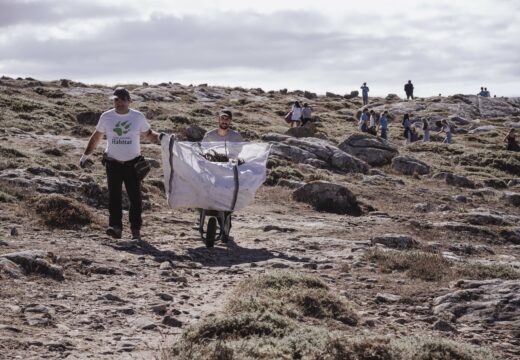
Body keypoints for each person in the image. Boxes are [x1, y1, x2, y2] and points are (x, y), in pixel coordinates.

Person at [79, 87, 161, 241]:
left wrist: (162, 138)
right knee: (114, 197)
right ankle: (115, 227)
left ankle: (135, 230)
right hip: (113, 163)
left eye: (122, 99)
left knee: (135, 199)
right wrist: (85, 155)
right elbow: (97, 137)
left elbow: (149, 135)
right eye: (116, 99)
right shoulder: (107, 117)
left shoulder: (137, 117)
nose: (119, 102)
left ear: (129, 101)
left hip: (133, 164)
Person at [201, 109, 244, 241]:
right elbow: (203, 151)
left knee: (226, 200)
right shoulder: (209, 135)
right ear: (218, 119)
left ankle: (225, 226)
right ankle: (217, 225)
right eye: (222, 118)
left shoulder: (235, 136)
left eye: (227, 119)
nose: (224, 121)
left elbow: (239, 152)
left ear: (230, 121)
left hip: (228, 171)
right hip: (212, 169)